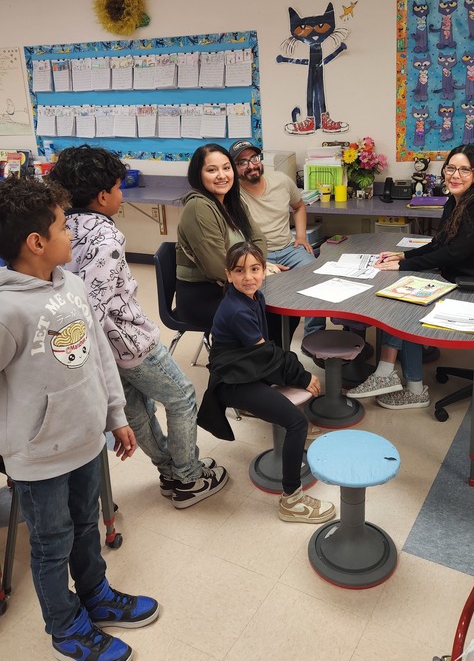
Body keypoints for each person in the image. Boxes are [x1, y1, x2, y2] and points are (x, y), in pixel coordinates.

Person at [0, 176, 159, 661]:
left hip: (86, 441)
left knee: (87, 526)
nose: (72, 234)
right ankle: (65, 626)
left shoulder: (71, 283)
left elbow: (99, 357)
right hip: (39, 458)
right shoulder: (7, 310)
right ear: (36, 242)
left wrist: (115, 414)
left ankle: (96, 595)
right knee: (52, 545)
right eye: (63, 227)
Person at [49, 145, 228, 509]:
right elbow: (93, 307)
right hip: (129, 343)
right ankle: (189, 478)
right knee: (181, 397)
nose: (121, 194)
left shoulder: (63, 226)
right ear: (103, 196)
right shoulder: (106, 237)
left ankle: (171, 470)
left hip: (104, 349)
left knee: (138, 409)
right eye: (118, 188)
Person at [347, 144, 474, 409]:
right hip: (456, 277)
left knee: (407, 303)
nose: (455, 175)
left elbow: (453, 253)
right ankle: (396, 378)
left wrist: (403, 266)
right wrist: (403, 256)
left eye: (464, 170)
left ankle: (400, 381)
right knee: (402, 291)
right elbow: (438, 244)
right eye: (451, 168)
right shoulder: (456, 200)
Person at [197, 241, 336, 524]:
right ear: (228, 275)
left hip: (246, 368)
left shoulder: (254, 297)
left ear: (264, 270)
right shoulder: (237, 310)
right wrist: (303, 375)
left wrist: (292, 371)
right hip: (232, 381)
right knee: (296, 422)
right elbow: (266, 354)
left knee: (287, 392)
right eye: (239, 271)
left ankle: (287, 439)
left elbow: (264, 353)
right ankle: (291, 501)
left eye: (254, 269)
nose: (248, 277)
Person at [231, 139, 325, 336]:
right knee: (267, 294)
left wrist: (301, 236)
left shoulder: (281, 181)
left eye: (254, 158)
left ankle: (314, 336)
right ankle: (266, 341)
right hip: (255, 255)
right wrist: (257, 263)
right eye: (242, 162)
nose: (251, 165)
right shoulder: (232, 194)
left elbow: (299, 206)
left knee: (317, 279)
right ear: (234, 168)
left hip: (289, 249)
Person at [175, 143, 267, 329]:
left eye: (226, 168)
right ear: (198, 175)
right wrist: (253, 271)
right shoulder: (198, 207)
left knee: (281, 309)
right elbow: (216, 266)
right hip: (204, 295)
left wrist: (253, 270)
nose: (222, 175)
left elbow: (259, 241)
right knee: (272, 314)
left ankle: (268, 348)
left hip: (234, 285)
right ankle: (259, 348)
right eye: (212, 170)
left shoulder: (234, 202)